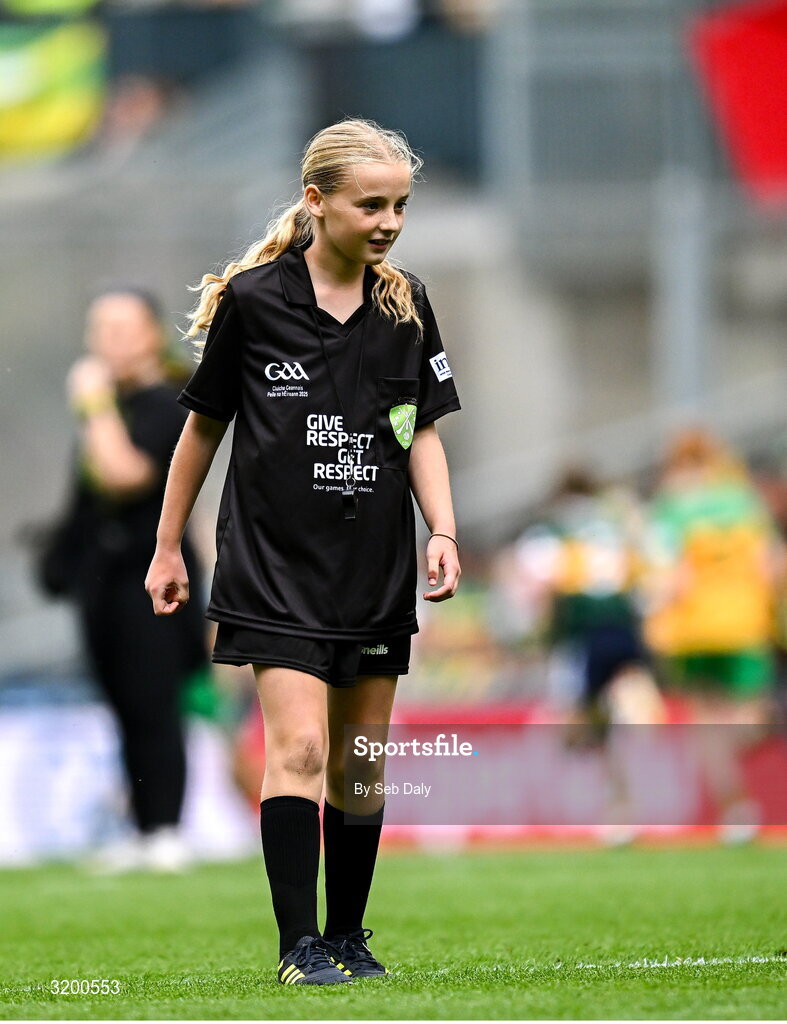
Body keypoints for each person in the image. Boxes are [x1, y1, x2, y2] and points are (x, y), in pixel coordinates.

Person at [145, 119, 462, 985]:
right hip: (273, 567)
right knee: (299, 753)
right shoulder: (254, 300)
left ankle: (349, 939)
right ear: (317, 202)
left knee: (360, 765)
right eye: (371, 204)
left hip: (373, 567)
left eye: (400, 204)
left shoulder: (406, 305)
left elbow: (421, 431)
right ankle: (298, 949)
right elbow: (201, 433)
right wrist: (167, 545)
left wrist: (441, 530)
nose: (389, 220)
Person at [64, 287, 207, 872]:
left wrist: (93, 406)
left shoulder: (165, 404)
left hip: (151, 582)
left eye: (124, 329)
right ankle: (142, 825)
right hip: (102, 582)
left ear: (151, 334)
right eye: (101, 330)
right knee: (122, 705)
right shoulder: (113, 409)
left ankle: (168, 830)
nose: (110, 343)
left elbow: (126, 476)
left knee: (154, 703)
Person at [646, 428, 779, 843]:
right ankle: (738, 799)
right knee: (752, 716)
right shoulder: (742, 500)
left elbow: (668, 576)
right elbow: (770, 565)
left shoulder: (670, 508)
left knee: (705, 724)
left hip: (693, 631)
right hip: (745, 625)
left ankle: (736, 810)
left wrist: (656, 620)